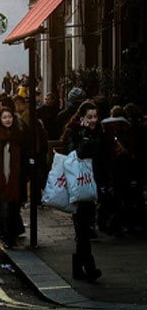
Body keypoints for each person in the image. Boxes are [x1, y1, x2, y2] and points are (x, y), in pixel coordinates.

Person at [62, 101, 103, 282]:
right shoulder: (73, 132)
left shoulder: (99, 131)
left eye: (95, 116)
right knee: (84, 229)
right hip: (78, 185)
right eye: (90, 117)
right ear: (81, 118)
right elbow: (73, 154)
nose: (93, 120)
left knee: (85, 229)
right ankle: (89, 267)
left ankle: (78, 268)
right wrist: (85, 137)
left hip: (92, 185)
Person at [0, 107, 24, 248]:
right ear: (0, 120)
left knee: (14, 209)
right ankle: (8, 238)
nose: (8, 120)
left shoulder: (19, 134)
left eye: (10, 117)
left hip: (15, 178)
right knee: (4, 208)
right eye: (4, 117)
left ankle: (10, 234)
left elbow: (25, 155)